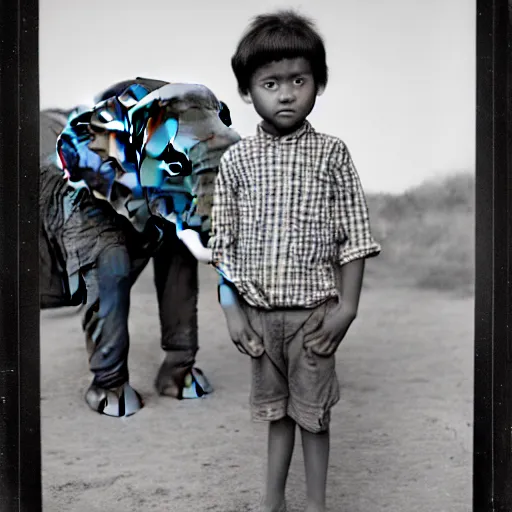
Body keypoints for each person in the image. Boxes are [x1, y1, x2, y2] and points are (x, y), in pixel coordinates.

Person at [209, 10, 381, 512]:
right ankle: (272, 503)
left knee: (314, 416)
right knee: (275, 415)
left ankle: (317, 505)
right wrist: (231, 309)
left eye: (298, 80)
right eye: (270, 82)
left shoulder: (332, 154)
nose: (286, 93)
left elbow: (355, 237)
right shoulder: (237, 161)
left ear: (318, 84)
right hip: (260, 319)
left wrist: (346, 309)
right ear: (247, 91)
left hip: (314, 320)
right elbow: (225, 245)